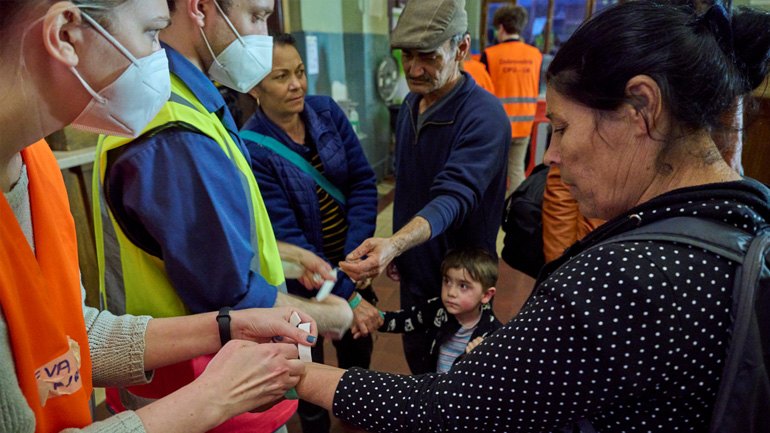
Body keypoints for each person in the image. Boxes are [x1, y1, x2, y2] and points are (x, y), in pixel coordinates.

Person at [293, 2, 770, 431]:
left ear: (641, 108)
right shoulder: (743, 219)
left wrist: (293, 373)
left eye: (561, 128)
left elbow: (446, 408)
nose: (553, 155)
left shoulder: (619, 279)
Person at [0, 0, 320, 432]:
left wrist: (226, 325)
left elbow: (70, 335)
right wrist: (212, 398)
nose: (160, 60)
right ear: (64, 35)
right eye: (152, 34)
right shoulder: (167, 130)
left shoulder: (32, 162)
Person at [91, 0, 351, 430]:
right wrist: (328, 315)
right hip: (200, 390)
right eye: (256, 16)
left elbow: (199, 238)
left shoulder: (182, 101)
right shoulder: (176, 133)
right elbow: (228, 293)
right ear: (200, 8)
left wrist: (286, 256)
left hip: (193, 380)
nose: (264, 38)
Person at [339, 0, 510, 375]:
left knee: (460, 372)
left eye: (429, 57)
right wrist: (400, 253)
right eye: (407, 55)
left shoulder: (484, 116)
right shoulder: (411, 104)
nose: (414, 69)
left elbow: (454, 195)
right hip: (417, 270)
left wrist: (395, 243)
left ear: (461, 48)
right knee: (419, 356)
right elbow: (410, 187)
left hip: (462, 277)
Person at [239, 33, 381, 433]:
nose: (297, 84)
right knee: (306, 363)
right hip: (302, 283)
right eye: (281, 76)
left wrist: (355, 261)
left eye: (299, 72)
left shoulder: (326, 113)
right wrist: (345, 295)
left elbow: (362, 184)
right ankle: (316, 423)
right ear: (255, 87)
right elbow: (286, 236)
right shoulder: (252, 147)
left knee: (358, 345)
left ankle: (355, 414)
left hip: (348, 268)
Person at [377, 248, 501, 373]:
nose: (451, 292)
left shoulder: (493, 335)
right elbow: (408, 318)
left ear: (486, 295)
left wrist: (485, 360)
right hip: (434, 386)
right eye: (447, 281)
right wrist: (378, 319)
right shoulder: (437, 309)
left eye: (463, 286)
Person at [481, 5, 543, 196]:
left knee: (491, 171)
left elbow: (482, 91)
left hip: (498, 124)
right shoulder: (536, 55)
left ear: (500, 27)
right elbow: (538, 87)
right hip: (524, 123)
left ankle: (491, 213)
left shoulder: (490, 55)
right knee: (516, 169)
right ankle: (513, 212)